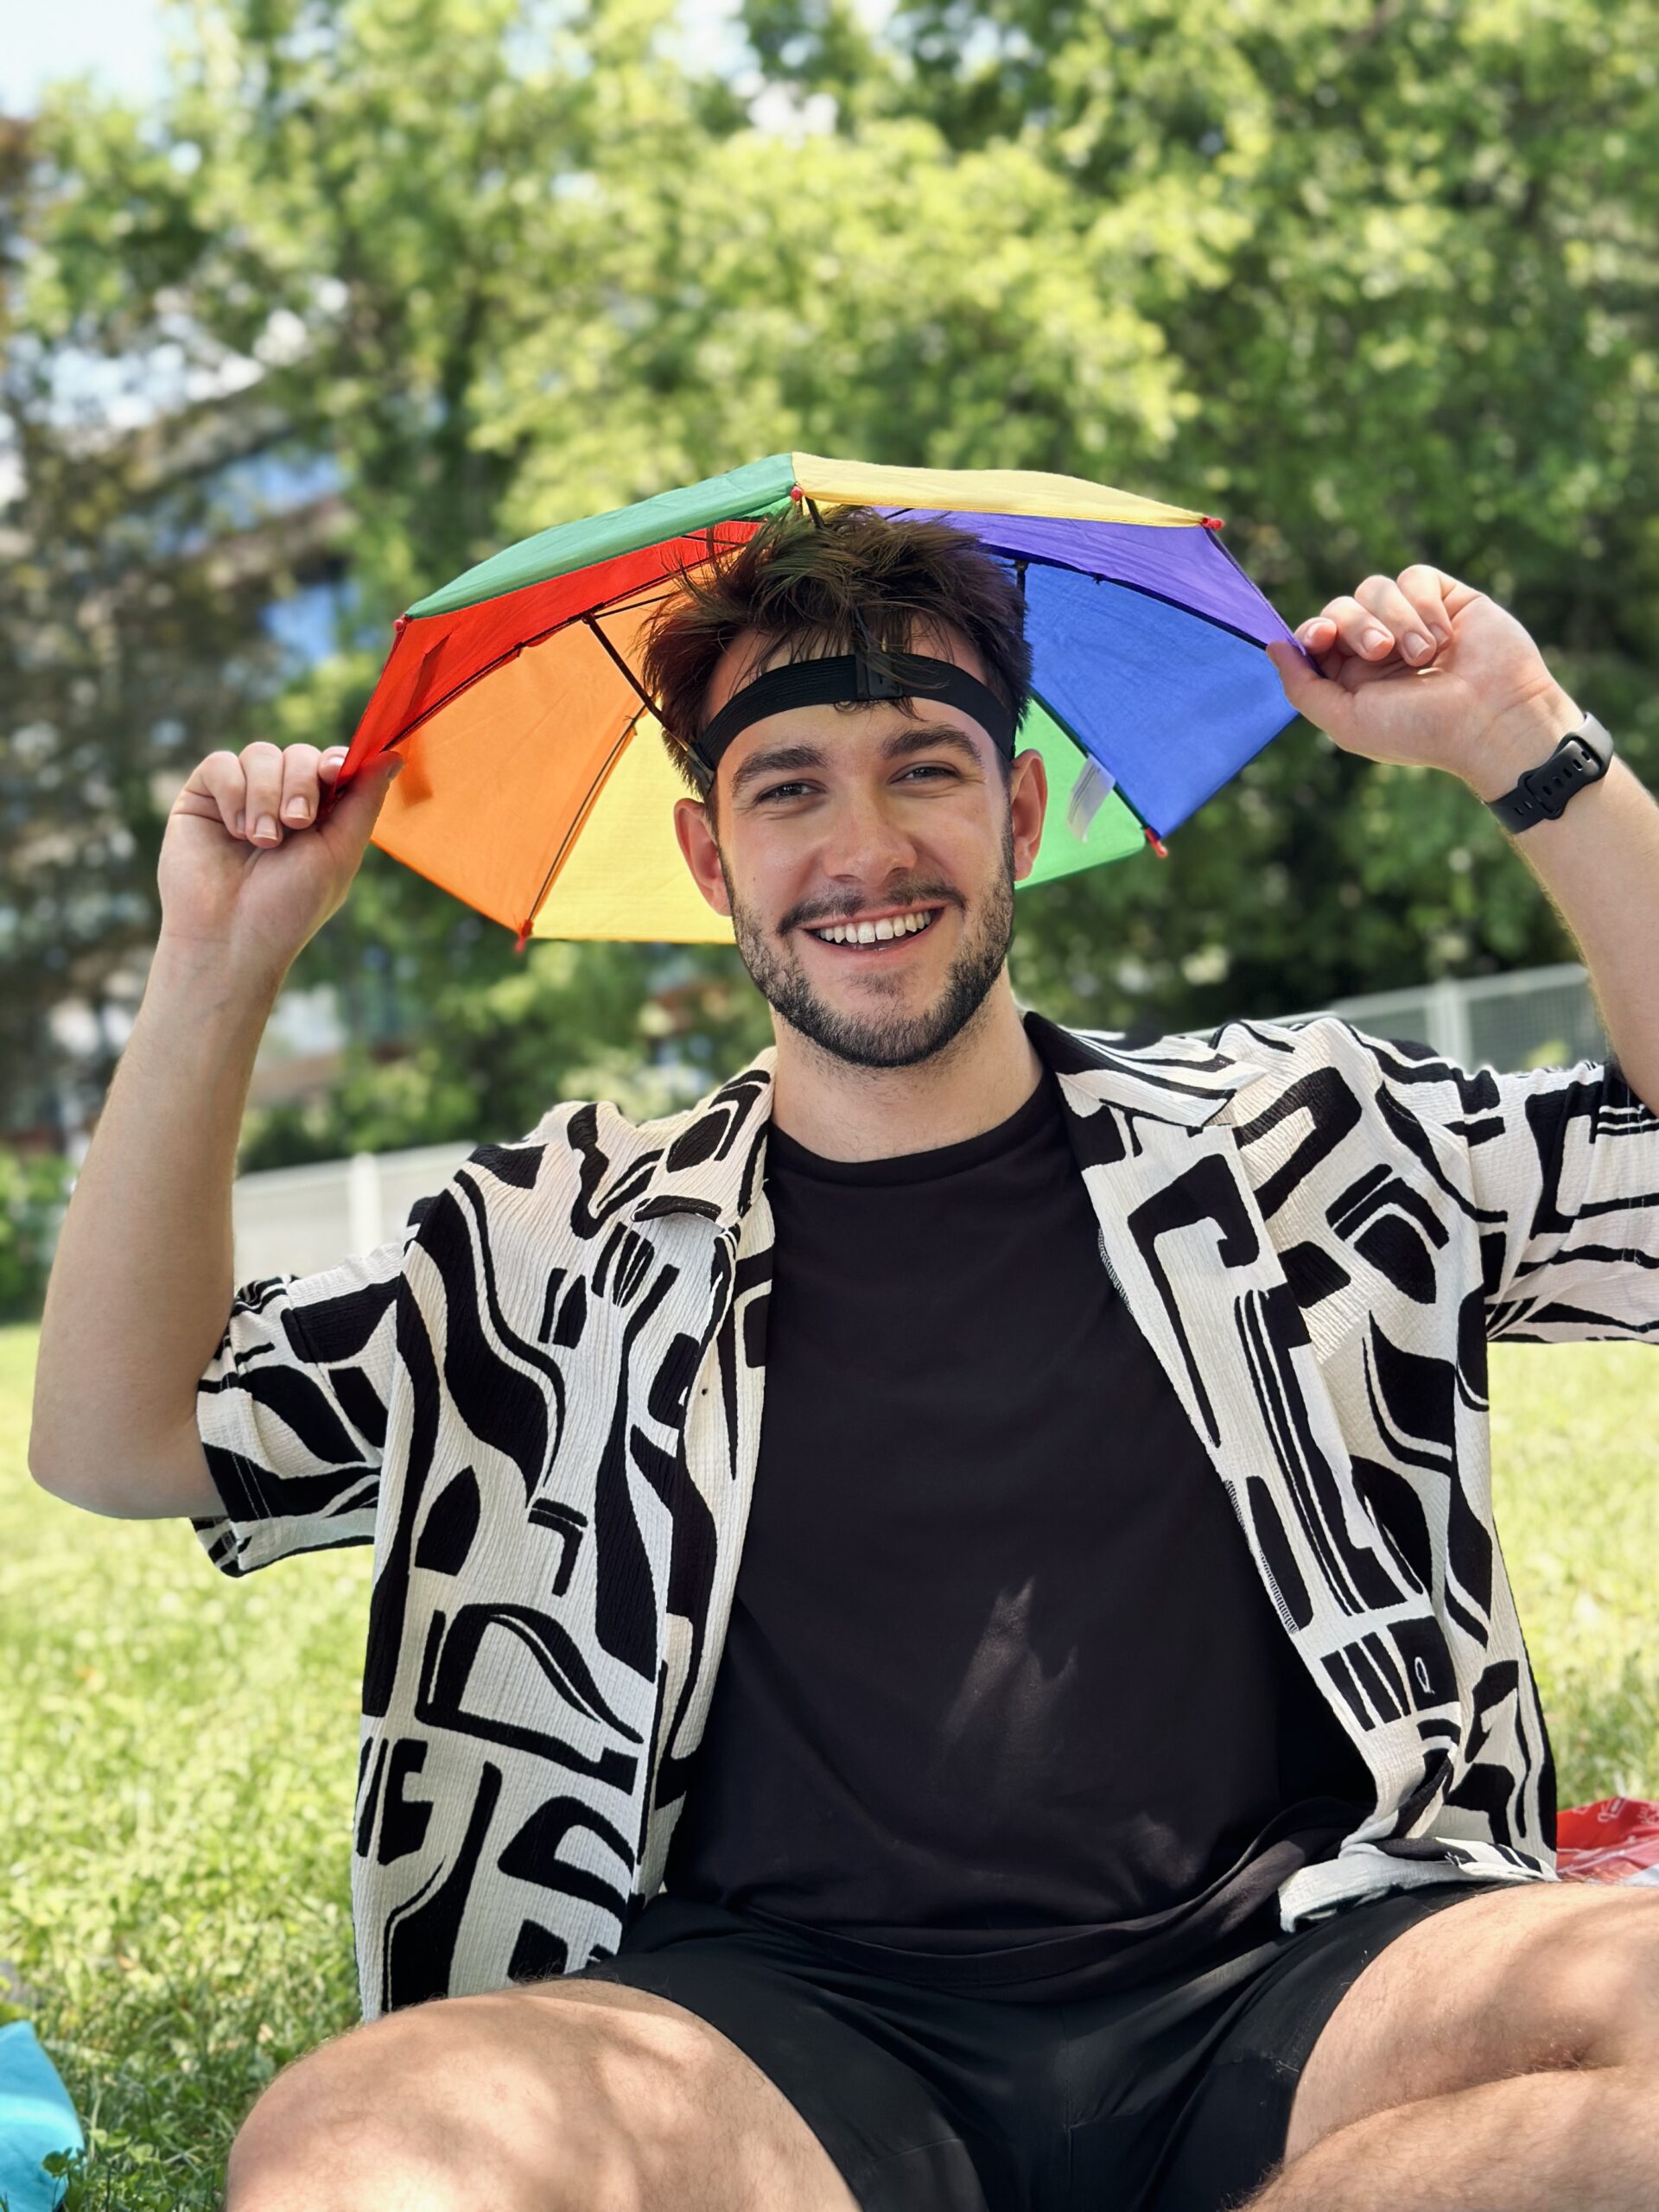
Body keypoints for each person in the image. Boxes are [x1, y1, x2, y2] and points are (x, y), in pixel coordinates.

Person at [29, 505, 1659, 2212]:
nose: (865, 843)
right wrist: (218, 962)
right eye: (789, 784)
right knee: (361, 2146)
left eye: (926, 768)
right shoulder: (552, 1248)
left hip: (1322, 1987)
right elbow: (122, 1437)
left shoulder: (1301, 1139)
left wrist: (1521, 741)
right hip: (777, 2053)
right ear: (710, 855)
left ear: (1020, 810)